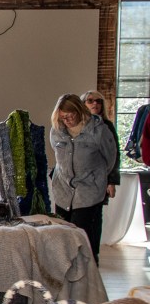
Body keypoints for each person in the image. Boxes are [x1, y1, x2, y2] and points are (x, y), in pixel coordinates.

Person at [50, 93, 118, 264]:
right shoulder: (56, 131)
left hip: (88, 192)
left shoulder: (99, 130)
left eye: (70, 116)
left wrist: (97, 177)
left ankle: (89, 274)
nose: (67, 120)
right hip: (64, 191)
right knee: (64, 236)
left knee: (84, 238)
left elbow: (110, 159)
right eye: (63, 117)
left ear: (79, 111)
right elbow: (58, 156)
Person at [81, 90, 120, 202]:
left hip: (100, 177)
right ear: (83, 104)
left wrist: (112, 181)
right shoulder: (76, 124)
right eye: (90, 101)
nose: (95, 104)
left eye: (98, 101)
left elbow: (114, 154)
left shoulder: (107, 126)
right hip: (79, 179)